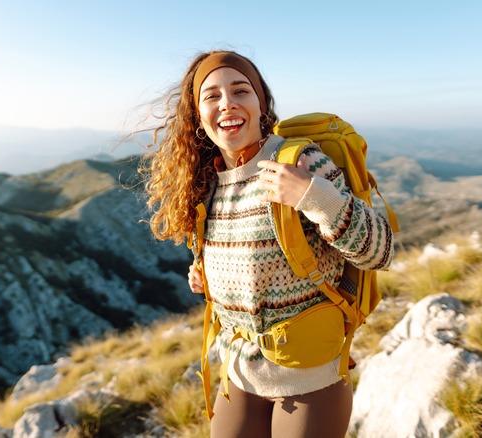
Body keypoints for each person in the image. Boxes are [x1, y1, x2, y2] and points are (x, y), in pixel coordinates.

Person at [142, 50, 394, 438]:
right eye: (211, 96)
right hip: (238, 370)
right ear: (197, 116)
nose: (227, 103)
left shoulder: (299, 162)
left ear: (261, 104)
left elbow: (380, 252)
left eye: (240, 90)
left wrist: (314, 196)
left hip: (308, 378)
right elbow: (257, 267)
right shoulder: (207, 183)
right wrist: (208, 277)